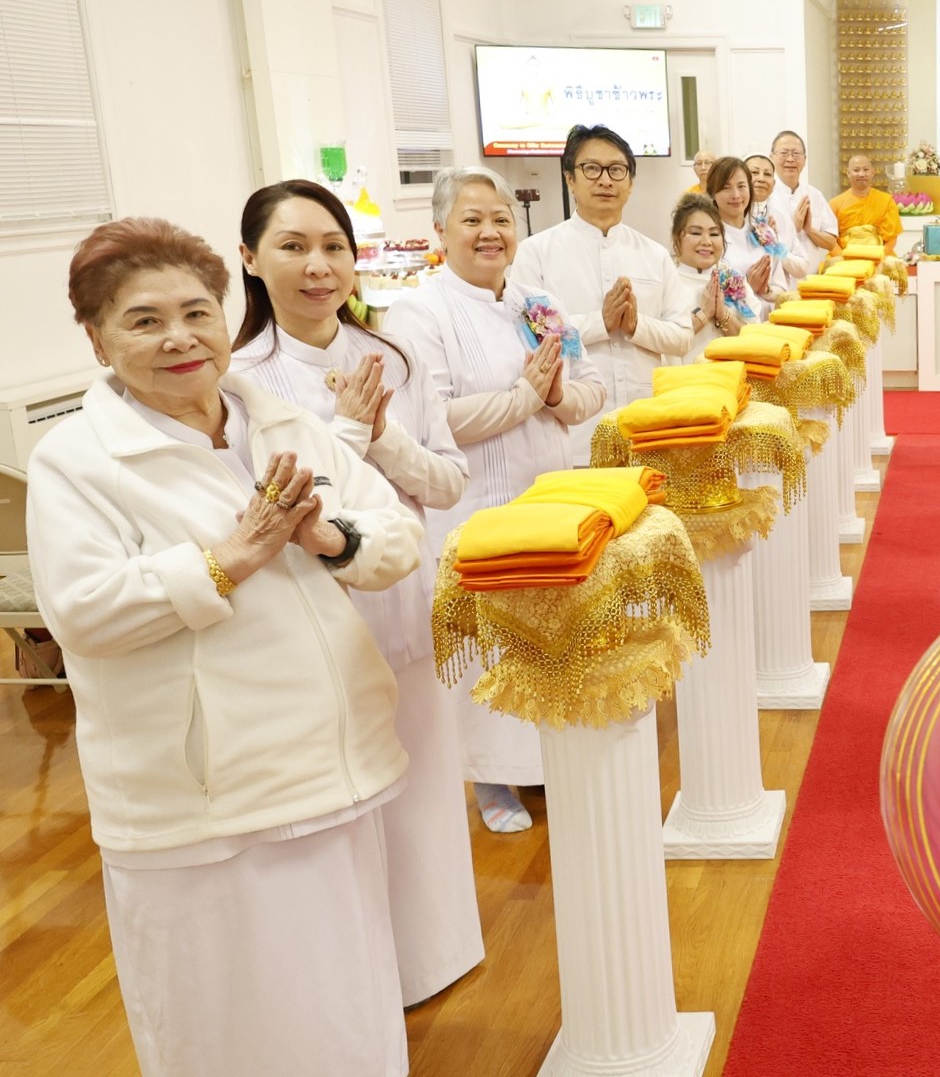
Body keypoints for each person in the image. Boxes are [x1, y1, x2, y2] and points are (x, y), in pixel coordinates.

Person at [30, 216, 426, 1075]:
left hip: (332, 766)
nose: (179, 338)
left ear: (224, 313)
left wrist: (330, 540)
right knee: (231, 1024)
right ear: (97, 338)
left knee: (344, 1003)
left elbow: (395, 536)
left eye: (196, 312)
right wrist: (228, 559)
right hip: (205, 799)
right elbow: (83, 612)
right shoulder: (77, 461)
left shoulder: (283, 423)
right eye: (143, 321)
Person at [228, 179, 482, 1006]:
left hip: (404, 600)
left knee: (428, 788)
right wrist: (346, 442)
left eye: (333, 246)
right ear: (250, 259)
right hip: (311, 624)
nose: (317, 266)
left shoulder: (393, 357)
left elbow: (447, 482)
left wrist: (383, 438)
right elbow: (257, 515)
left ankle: (434, 956)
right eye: (293, 247)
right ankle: (359, 989)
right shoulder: (239, 383)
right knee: (346, 811)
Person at [385, 166, 606, 834]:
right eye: (472, 220)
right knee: (484, 644)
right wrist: (524, 399)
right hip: (469, 506)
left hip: (547, 498)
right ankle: (488, 775)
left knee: (548, 635)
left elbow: (592, 389)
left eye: (501, 219)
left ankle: (550, 764)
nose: (489, 232)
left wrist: (559, 396)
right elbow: (432, 421)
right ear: (441, 231)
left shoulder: (539, 304)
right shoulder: (418, 312)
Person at [511, 124, 692, 451]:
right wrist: (601, 323)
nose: (605, 180)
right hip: (573, 434)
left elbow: (682, 337)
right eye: (591, 169)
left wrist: (637, 326)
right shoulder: (537, 252)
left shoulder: (654, 254)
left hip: (648, 427)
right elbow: (533, 337)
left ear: (631, 183)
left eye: (617, 170)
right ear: (570, 179)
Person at [670, 193, 750, 363]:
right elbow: (662, 343)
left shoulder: (734, 280)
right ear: (677, 237)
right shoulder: (666, 281)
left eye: (714, 234)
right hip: (685, 382)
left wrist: (723, 315)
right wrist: (704, 314)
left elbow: (754, 341)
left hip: (734, 380)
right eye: (696, 233)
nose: (706, 242)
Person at [707, 156, 779, 311]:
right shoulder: (709, 240)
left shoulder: (763, 232)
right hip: (736, 330)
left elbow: (781, 287)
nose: (736, 195)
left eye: (741, 186)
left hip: (772, 325)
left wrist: (765, 290)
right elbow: (710, 302)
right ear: (713, 192)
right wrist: (747, 288)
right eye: (726, 188)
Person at [767, 130, 839, 263]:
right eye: (784, 153)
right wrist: (793, 228)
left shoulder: (814, 195)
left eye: (796, 154)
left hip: (812, 278)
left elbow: (831, 243)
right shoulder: (765, 196)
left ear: (805, 160)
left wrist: (810, 230)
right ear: (771, 157)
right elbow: (761, 245)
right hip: (780, 279)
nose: (790, 159)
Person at [745, 152, 809, 293]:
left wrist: (776, 247)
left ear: (773, 185)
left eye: (767, 174)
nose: (761, 179)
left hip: (777, 301)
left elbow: (802, 268)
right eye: (754, 172)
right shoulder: (734, 217)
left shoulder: (783, 219)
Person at [830, 154, 901, 251]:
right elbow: (830, 240)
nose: (861, 174)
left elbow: (891, 238)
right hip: (845, 257)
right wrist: (842, 257)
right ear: (848, 173)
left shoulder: (886, 201)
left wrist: (881, 257)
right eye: (856, 170)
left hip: (878, 256)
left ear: (872, 172)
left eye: (866, 170)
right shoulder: (835, 203)